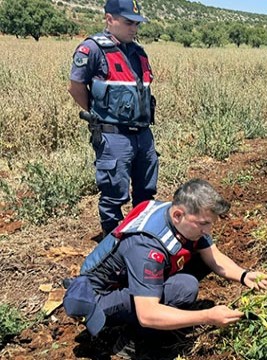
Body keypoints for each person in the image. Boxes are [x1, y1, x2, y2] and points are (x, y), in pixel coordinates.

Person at [63, 179, 267, 356]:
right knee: (184, 287)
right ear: (178, 216)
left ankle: (152, 313)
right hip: (99, 297)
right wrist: (208, 316)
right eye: (203, 223)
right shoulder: (147, 247)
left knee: (197, 260)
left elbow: (213, 257)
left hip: (130, 277)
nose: (209, 230)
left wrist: (245, 276)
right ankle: (129, 341)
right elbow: (148, 314)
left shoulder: (176, 214)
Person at [68, 0, 159, 238]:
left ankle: (141, 237)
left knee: (146, 190)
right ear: (110, 19)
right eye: (128, 22)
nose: (134, 28)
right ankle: (113, 243)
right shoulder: (93, 49)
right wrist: (98, 114)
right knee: (114, 194)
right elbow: (76, 86)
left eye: (137, 23)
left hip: (143, 134)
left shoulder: (138, 52)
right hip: (113, 136)